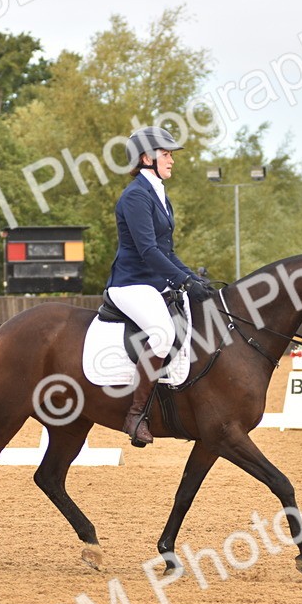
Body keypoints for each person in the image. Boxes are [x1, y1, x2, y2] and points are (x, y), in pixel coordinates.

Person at [107, 126, 214, 447]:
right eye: (166, 154)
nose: (171, 160)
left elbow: (166, 251)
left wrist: (193, 279)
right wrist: (182, 280)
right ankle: (135, 414)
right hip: (130, 284)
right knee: (163, 333)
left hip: (153, 283)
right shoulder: (136, 196)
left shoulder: (158, 193)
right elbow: (148, 251)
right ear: (146, 158)